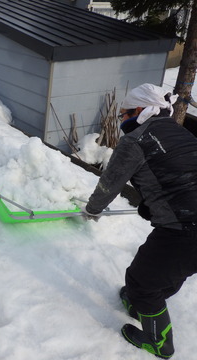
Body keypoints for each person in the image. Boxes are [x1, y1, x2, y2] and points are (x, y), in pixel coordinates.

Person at [82, 83, 197, 358]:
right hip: (186, 224)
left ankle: (158, 342)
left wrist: (92, 210)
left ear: (138, 110)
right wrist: (151, 205)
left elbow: (110, 183)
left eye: (123, 113)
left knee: (142, 280)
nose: (121, 119)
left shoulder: (136, 140)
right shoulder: (177, 132)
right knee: (166, 270)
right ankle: (141, 303)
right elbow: (175, 174)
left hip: (186, 228)